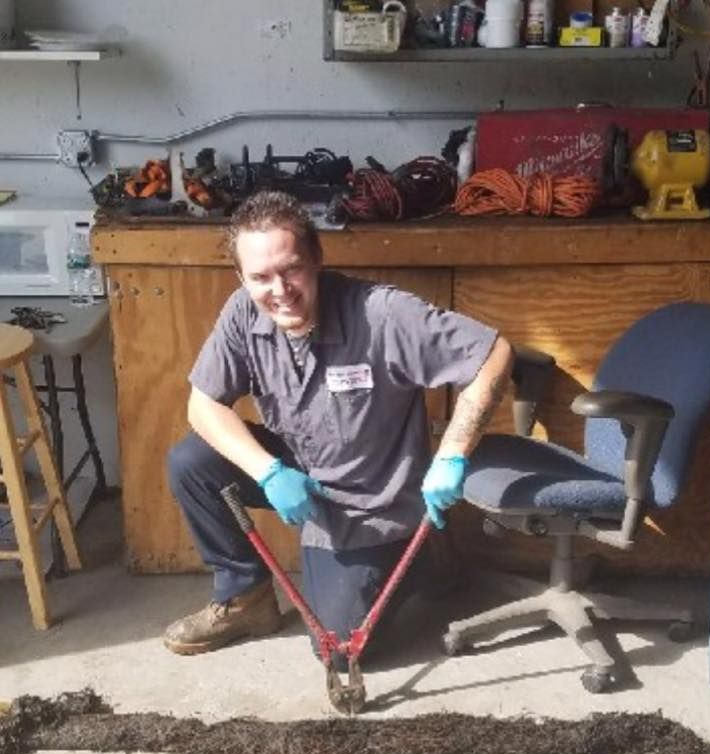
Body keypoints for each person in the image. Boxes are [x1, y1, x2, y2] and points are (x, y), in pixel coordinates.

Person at [164, 190, 512, 662]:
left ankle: (425, 558)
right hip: (301, 471)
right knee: (192, 462)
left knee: (341, 650)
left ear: (316, 259)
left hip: (371, 502)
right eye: (261, 277)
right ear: (242, 278)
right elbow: (203, 405)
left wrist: (452, 454)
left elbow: (494, 354)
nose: (279, 290)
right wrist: (269, 471)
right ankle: (245, 597)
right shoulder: (243, 313)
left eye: (291, 269)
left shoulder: (381, 314)